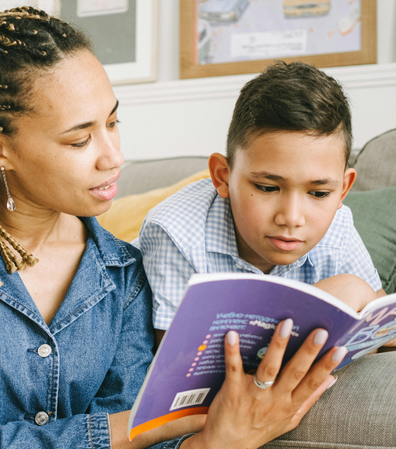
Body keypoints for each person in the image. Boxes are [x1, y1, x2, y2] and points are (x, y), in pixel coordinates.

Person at [0, 7, 347, 449]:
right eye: (80, 140)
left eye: (113, 123)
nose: (113, 157)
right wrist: (138, 427)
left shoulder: (124, 274)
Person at [139, 61, 386, 345]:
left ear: (343, 190)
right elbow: (178, 370)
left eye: (318, 193)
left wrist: (353, 292)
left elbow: (380, 321)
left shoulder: (337, 227)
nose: (292, 218)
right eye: (268, 187)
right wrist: (332, 297)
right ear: (223, 177)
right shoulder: (174, 233)